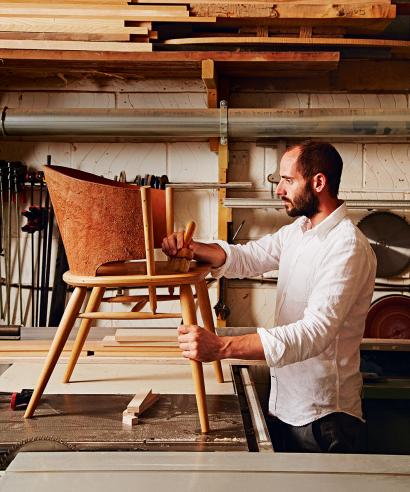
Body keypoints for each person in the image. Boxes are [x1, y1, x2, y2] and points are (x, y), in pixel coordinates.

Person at [162, 141, 376, 453]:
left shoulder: (346, 246)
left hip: (324, 419)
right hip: (287, 405)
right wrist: (193, 248)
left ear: (318, 182)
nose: (279, 190)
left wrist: (222, 346)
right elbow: (249, 257)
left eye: (288, 180)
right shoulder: (299, 231)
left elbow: (314, 333)